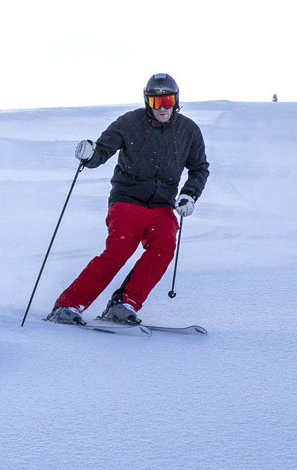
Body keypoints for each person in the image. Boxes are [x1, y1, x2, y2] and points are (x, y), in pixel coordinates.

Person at [46, 73, 209, 326]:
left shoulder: (188, 130)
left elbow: (199, 168)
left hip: (162, 205)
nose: (163, 108)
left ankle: (124, 304)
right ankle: (68, 305)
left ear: (176, 101)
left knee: (164, 247)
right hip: (127, 199)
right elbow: (103, 149)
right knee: (119, 250)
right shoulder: (130, 123)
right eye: (157, 103)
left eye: (168, 101)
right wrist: (89, 155)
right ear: (147, 103)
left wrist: (189, 194)